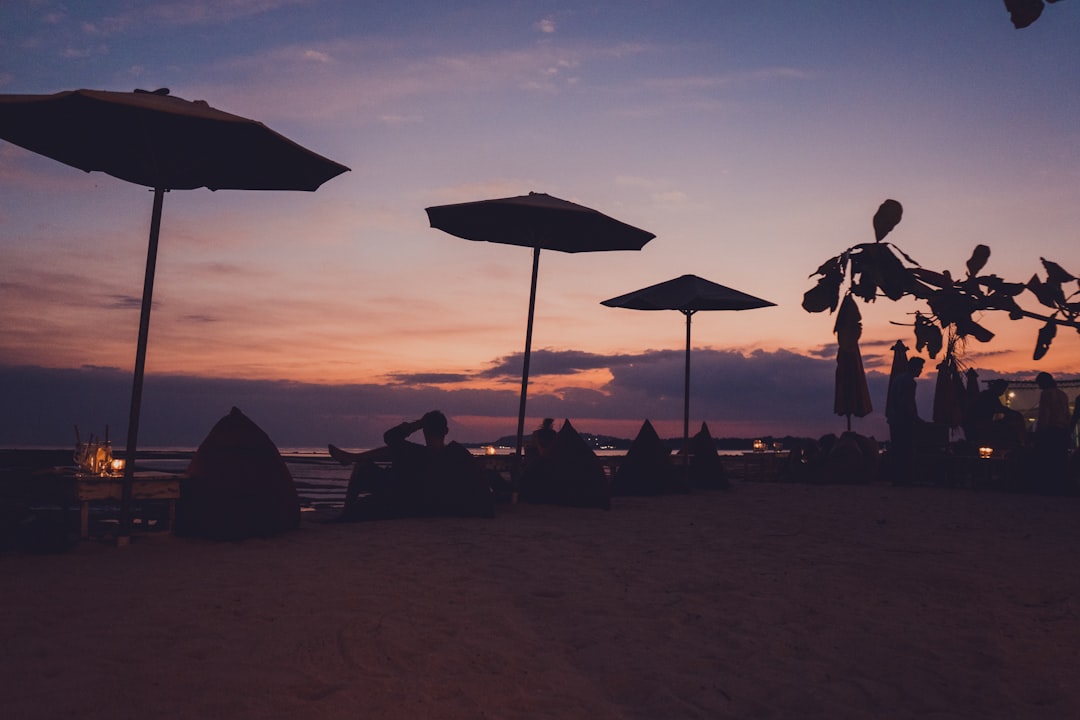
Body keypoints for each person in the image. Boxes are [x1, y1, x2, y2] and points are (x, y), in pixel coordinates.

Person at [328, 410, 493, 520]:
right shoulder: (457, 453)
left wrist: (418, 423)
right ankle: (352, 457)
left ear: (424, 431)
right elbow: (480, 487)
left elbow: (390, 437)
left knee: (363, 467)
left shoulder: (422, 454)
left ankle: (346, 510)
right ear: (446, 431)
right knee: (395, 450)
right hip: (420, 501)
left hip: (408, 500)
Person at [885, 356, 925, 485]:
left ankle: (896, 478)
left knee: (897, 450)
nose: (921, 371)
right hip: (903, 421)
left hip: (893, 420)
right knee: (905, 450)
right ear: (915, 368)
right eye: (921, 368)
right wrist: (916, 418)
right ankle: (904, 479)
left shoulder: (898, 379)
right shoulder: (910, 382)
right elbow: (906, 403)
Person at [1033, 372, 1070, 493]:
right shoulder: (1062, 394)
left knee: (1047, 460)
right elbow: (1066, 414)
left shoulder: (1046, 394)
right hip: (1062, 430)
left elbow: (1045, 414)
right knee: (1060, 461)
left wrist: (1039, 431)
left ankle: (1047, 487)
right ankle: (1060, 486)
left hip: (1050, 431)